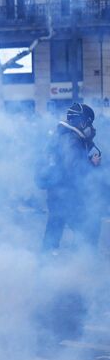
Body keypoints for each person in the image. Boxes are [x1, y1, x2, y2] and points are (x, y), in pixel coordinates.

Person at [37, 102, 104, 251]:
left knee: (55, 225)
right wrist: (92, 162)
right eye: (89, 122)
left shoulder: (62, 135)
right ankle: (83, 258)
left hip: (57, 190)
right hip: (66, 192)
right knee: (89, 225)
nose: (91, 127)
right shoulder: (71, 139)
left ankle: (46, 259)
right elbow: (73, 166)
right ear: (82, 121)